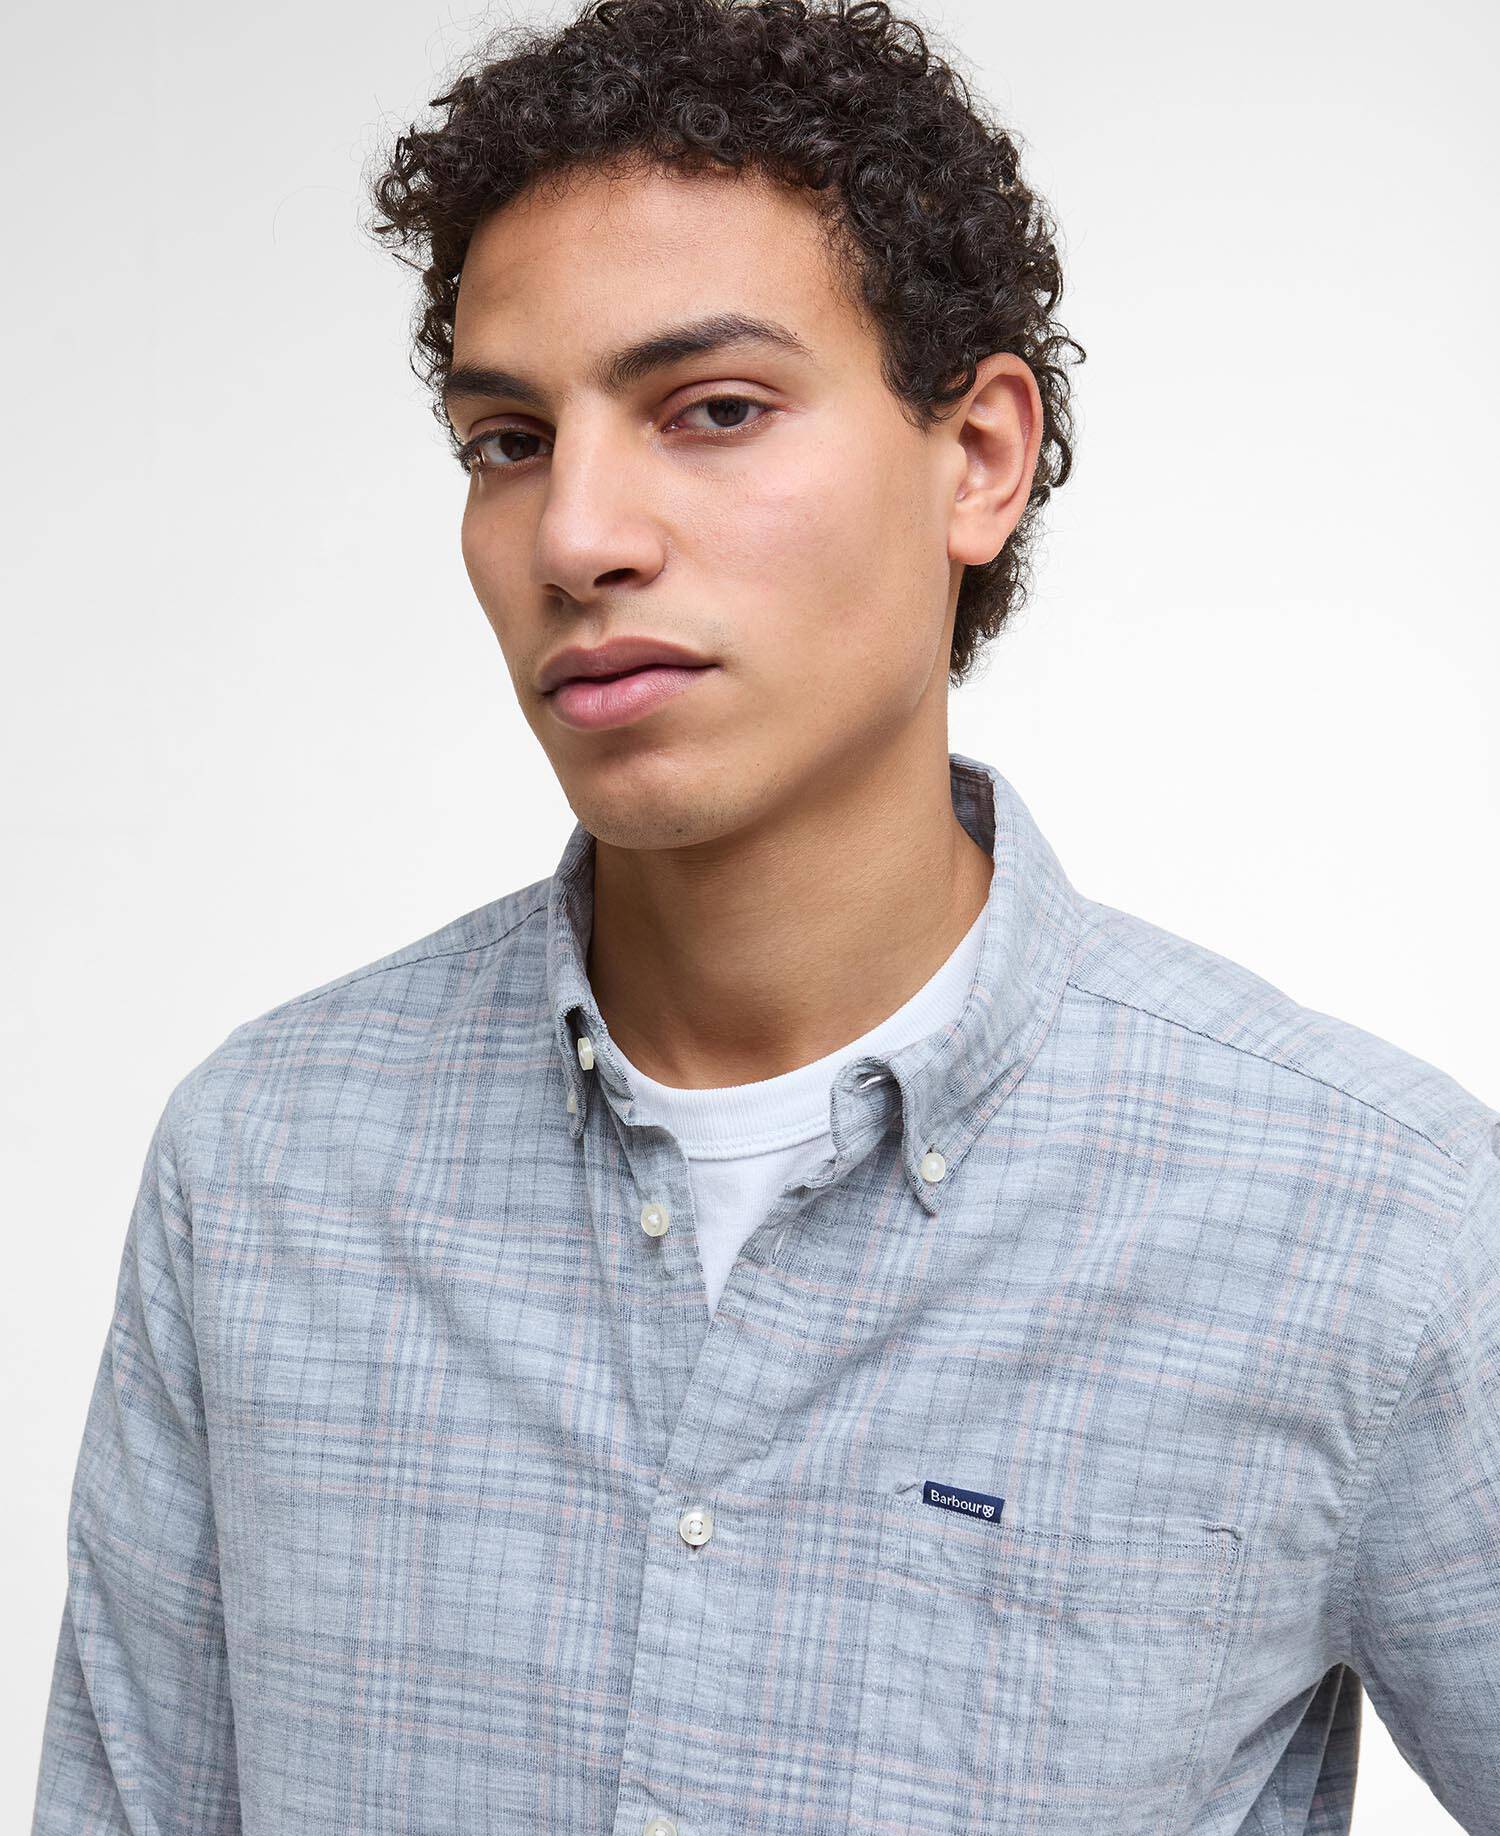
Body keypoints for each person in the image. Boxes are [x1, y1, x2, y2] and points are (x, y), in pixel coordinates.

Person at [32, 0, 1499, 1830]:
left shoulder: (1373, 1223)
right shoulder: (265, 1169)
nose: (578, 535)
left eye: (712, 411)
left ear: (980, 457)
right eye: (507, 439)